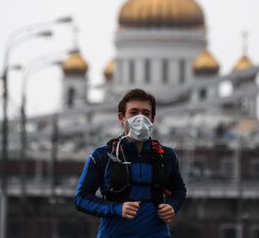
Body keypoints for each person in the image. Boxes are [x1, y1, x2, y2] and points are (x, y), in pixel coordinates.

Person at [75, 88, 186, 237]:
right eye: (133, 113)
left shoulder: (166, 155)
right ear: (121, 117)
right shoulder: (102, 155)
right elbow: (81, 198)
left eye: (146, 114)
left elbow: (179, 190)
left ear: (152, 119)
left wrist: (172, 206)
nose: (140, 118)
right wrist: (117, 209)